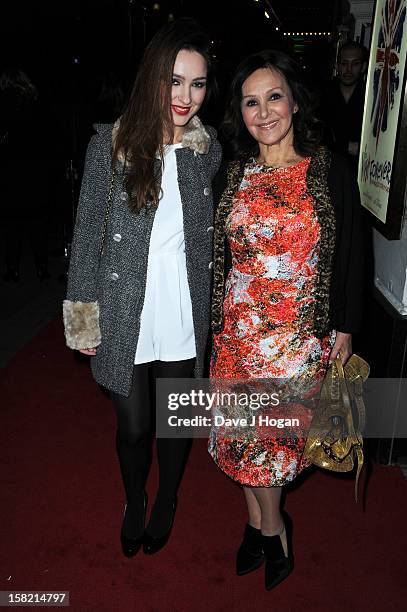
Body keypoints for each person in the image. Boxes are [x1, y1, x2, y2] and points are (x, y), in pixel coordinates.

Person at [63, 19, 221, 558]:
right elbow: (86, 237)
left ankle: (169, 498)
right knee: (134, 426)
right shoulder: (109, 145)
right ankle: (134, 499)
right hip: (125, 302)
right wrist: (83, 319)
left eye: (197, 84)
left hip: (181, 303)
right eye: (174, 81)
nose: (185, 97)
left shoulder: (207, 152)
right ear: (152, 77)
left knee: (175, 421)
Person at [209, 49, 363, 591]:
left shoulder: (328, 171)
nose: (264, 111)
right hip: (238, 337)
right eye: (251, 102)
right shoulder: (233, 176)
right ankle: (258, 526)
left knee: (269, 450)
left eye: (274, 96)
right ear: (240, 114)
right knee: (239, 444)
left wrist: (345, 325)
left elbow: (351, 254)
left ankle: (273, 531)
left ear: (294, 102)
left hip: (297, 342)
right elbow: (217, 257)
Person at [0, 68, 50, 281]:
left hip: (12, 170)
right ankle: (41, 267)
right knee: (36, 222)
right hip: (34, 169)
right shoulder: (35, 105)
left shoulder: (5, 105)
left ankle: (13, 268)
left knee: (13, 223)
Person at [319, 41, 368, 173]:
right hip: (327, 168)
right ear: (337, 66)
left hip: (361, 170)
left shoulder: (371, 97)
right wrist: (345, 146)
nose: (349, 70)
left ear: (363, 67)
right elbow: (314, 136)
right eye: (344, 63)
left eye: (355, 64)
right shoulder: (322, 95)